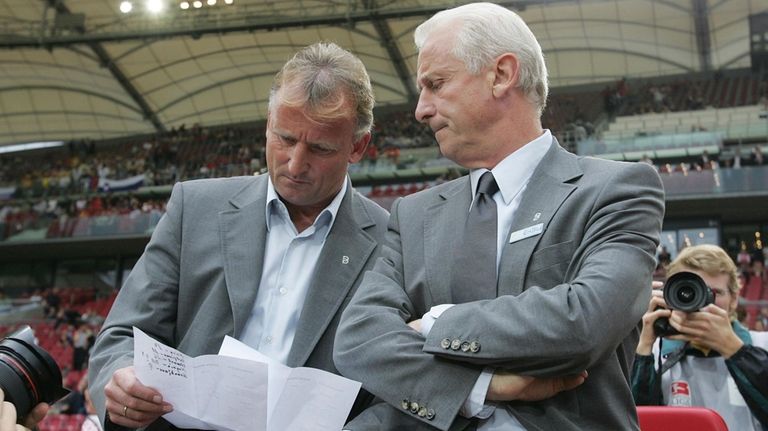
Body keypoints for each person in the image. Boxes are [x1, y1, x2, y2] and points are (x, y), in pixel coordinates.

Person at [333, 3, 665, 430]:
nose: (421, 109)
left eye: (436, 84)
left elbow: (584, 322)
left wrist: (435, 322)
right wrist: (482, 385)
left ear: (502, 75)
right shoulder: (412, 214)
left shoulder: (615, 190)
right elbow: (360, 338)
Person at [87, 42, 389, 430]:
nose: (295, 164)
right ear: (267, 122)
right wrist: (122, 377)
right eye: (284, 139)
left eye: (320, 148)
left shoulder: (389, 242)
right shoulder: (194, 208)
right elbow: (121, 335)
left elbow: (395, 389)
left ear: (358, 146)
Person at [631, 244, 768, 430]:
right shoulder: (654, 353)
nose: (701, 303)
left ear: (734, 299)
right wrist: (644, 348)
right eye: (690, 290)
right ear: (669, 295)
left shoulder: (763, 345)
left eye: (714, 293)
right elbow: (634, 422)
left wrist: (735, 351)